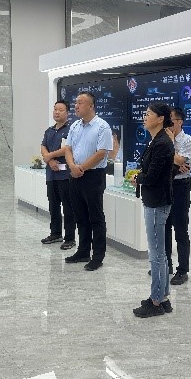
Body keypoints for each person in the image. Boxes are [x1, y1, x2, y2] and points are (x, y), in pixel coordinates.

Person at [132, 103, 175, 318]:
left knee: (156, 254)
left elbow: (152, 176)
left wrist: (138, 178)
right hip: (155, 200)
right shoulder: (157, 140)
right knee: (160, 253)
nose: (145, 117)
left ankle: (156, 301)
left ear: (160, 119)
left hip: (157, 202)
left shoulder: (162, 143)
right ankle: (163, 296)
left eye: (149, 114)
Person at [64, 92, 113, 271]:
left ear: (91, 106)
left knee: (95, 217)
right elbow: (68, 148)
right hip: (75, 175)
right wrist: (72, 166)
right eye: (75, 103)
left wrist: (81, 168)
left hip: (93, 176)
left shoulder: (102, 126)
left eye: (80, 103)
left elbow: (101, 153)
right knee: (80, 215)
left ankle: (98, 256)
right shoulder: (75, 125)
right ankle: (83, 251)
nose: (76, 106)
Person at [165, 107, 191, 285]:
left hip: (181, 187)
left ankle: (182, 270)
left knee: (181, 230)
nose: (169, 124)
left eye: (172, 120)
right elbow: (164, 162)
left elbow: (180, 161)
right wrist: (176, 164)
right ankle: (166, 264)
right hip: (165, 185)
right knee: (164, 227)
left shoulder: (188, 140)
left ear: (180, 122)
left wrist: (176, 162)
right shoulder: (161, 138)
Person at [40, 100, 76, 250]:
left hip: (65, 175)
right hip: (51, 174)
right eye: (55, 109)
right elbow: (43, 146)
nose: (57, 112)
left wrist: (50, 156)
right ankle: (55, 233)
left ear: (67, 113)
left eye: (60, 110)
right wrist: (49, 161)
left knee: (68, 207)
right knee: (53, 205)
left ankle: (70, 238)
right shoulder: (49, 130)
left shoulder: (71, 130)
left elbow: (67, 148)